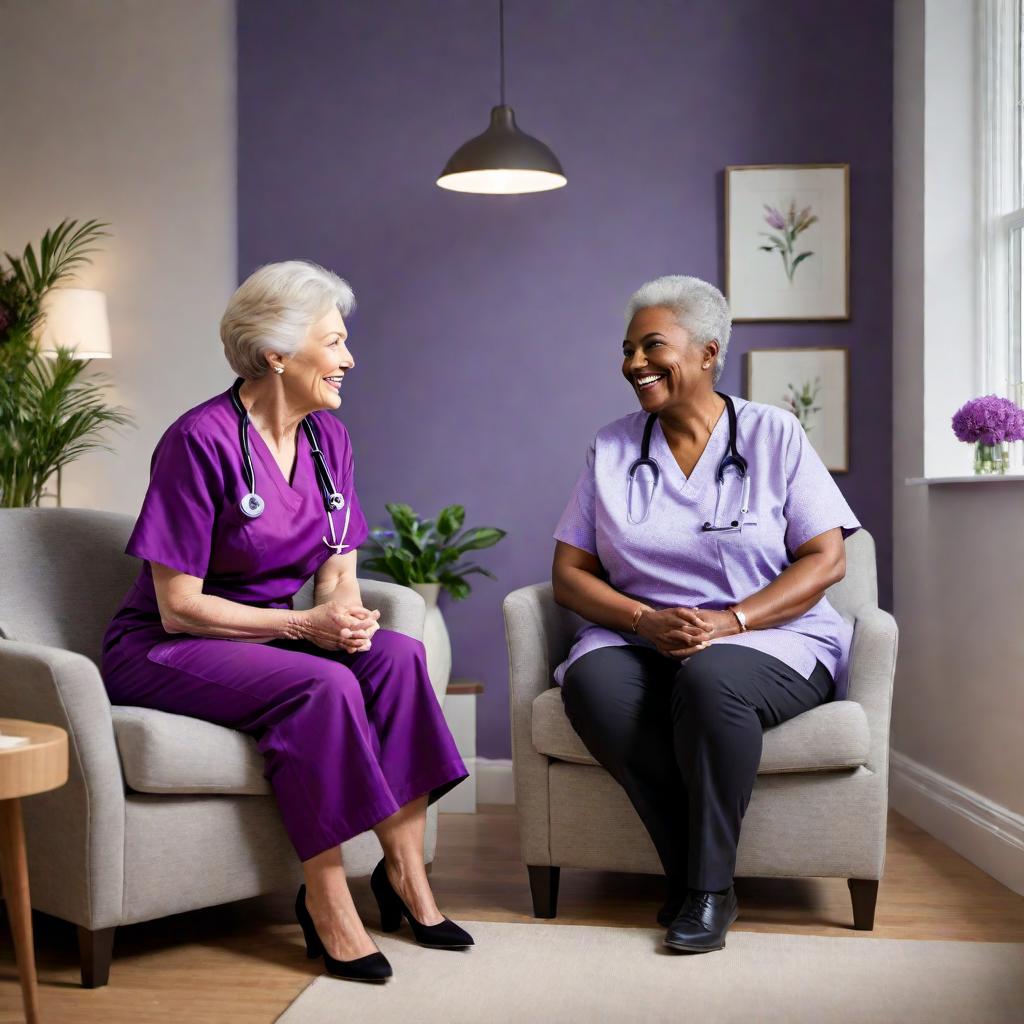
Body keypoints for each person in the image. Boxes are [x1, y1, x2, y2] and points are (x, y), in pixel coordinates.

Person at [101, 260, 472, 983]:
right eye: (334, 342)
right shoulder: (199, 441)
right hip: (164, 646)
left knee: (397, 656)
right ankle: (327, 901)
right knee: (321, 688)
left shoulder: (329, 441)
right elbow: (178, 607)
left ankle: (404, 877)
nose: (349, 359)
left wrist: (348, 617)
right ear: (276, 353)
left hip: (258, 636)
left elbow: (339, 570)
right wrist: (306, 630)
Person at [551, 274, 860, 954]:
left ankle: (709, 892)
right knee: (591, 687)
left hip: (770, 639)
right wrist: (641, 622)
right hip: (639, 634)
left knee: (711, 678)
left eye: (652, 346)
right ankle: (694, 871)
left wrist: (733, 621)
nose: (634, 363)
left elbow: (825, 560)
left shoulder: (774, 433)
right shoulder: (612, 447)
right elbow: (568, 577)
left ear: (709, 352)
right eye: (628, 349)